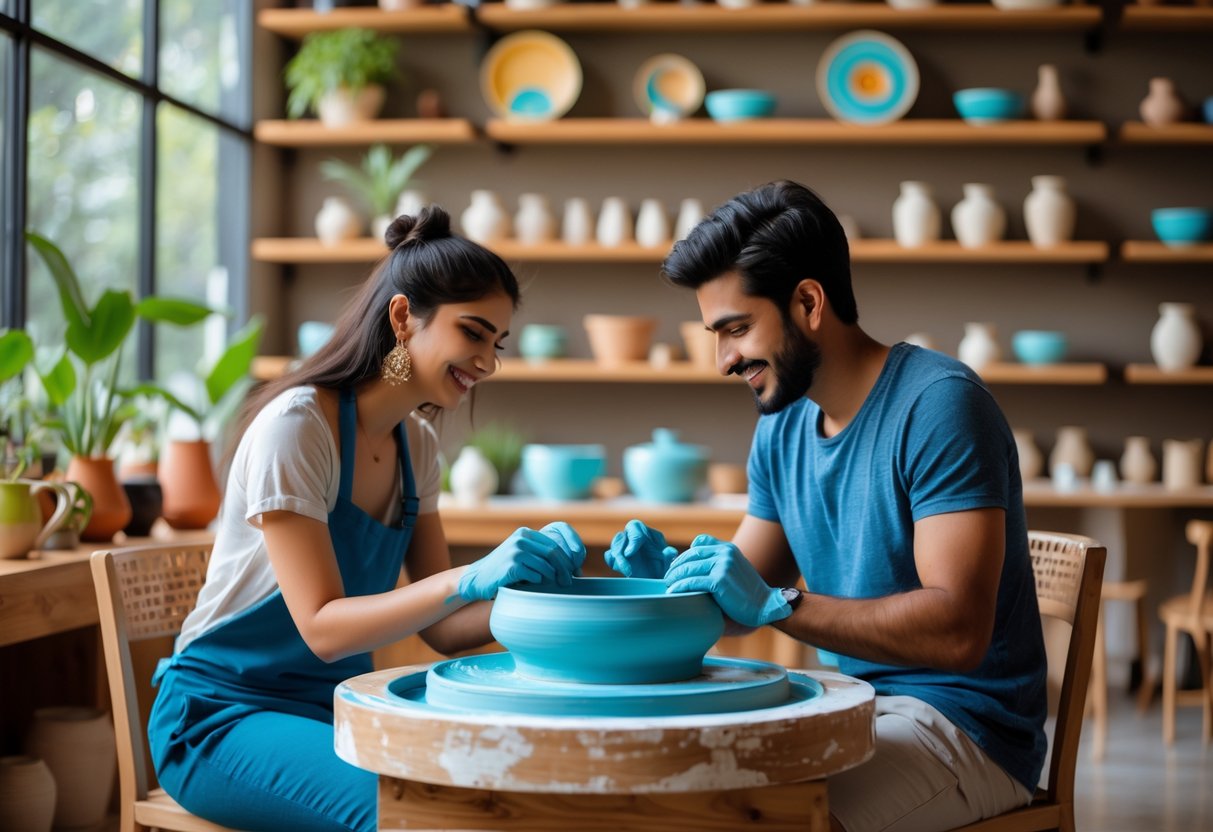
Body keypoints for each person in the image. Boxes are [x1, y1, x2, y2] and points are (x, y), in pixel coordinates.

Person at [606, 180, 1047, 832]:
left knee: (774, 821)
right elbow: (738, 603)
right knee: (674, 796)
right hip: (853, 705)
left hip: (963, 726)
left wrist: (779, 605)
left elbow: (958, 631)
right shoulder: (781, 427)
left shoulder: (940, 405)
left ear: (808, 302)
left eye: (736, 329)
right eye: (714, 335)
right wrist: (668, 575)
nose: (724, 359)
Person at [147, 206, 586, 832]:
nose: (488, 361)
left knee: (500, 795)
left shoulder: (420, 447)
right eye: (474, 333)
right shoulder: (299, 428)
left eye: (498, 343)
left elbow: (449, 628)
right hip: (219, 717)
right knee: (417, 818)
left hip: (335, 712)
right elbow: (323, 628)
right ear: (404, 317)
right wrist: (472, 575)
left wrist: (549, 595)